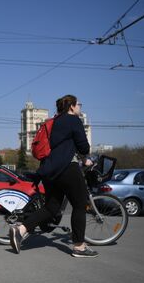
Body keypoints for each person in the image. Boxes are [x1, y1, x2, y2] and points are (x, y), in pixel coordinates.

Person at [9, 95, 98, 258]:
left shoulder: (54, 121)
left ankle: (20, 230)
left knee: (51, 208)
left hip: (49, 169)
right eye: (79, 105)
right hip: (67, 168)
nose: (80, 107)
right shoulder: (74, 121)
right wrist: (85, 158)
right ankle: (79, 246)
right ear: (71, 106)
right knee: (80, 205)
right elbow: (84, 146)